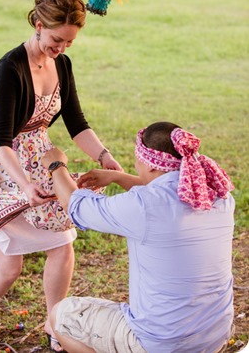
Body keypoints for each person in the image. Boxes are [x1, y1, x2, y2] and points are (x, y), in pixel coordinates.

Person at [0, 0, 122, 353]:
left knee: (62, 243)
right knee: (9, 268)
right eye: (57, 39)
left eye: (69, 41)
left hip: (41, 158)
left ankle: (55, 324)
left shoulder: (63, 65)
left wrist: (104, 156)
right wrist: (24, 185)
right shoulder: (10, 68)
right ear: (39, 26)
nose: (62, 48)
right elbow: (1, 140)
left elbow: (77, 123)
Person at [41, 121, 235, 353]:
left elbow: (76, 205)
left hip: (162, 344)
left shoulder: (144, 207)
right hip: (213, 334)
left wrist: (56, 165)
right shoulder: (218, 197)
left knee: (61, 315)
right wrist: (118, 178)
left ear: (150, 165)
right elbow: (165, 196)